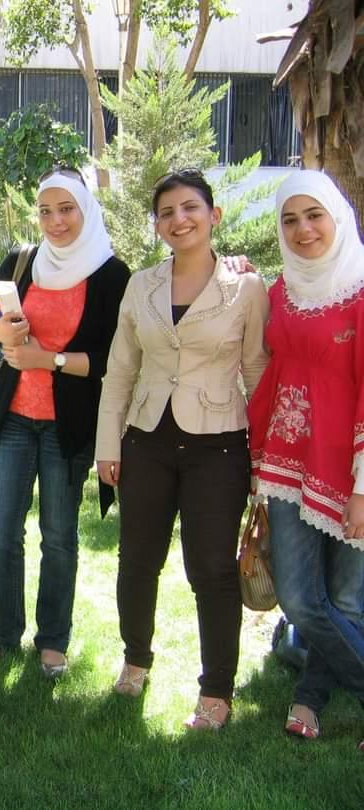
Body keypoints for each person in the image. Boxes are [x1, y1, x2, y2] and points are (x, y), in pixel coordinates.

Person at [95, 169, 269, 730]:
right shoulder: (140, 285)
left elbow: (256, 372)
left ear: (213, 216)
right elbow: (120, 371)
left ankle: (216, 691)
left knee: (212, 569)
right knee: (137, 560)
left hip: (218, 447)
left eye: (190, 207)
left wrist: (264, 462)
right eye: (166, 212)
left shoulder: (246, 287)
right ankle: (135, 661)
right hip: (146, 439)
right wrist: (108, 445)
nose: (179, 219)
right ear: (157, 225)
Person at [0, 168, 130, 678]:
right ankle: (2, 632)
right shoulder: (21, 263)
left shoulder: (111, 274)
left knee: (59, 536)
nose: (55, 221)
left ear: (86, 211)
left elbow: (111, 360)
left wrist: (49, 360)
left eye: (66, 209)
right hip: (13, 419)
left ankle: (53, 639)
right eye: (45, 211)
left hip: (67, 425)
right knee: (1, 535)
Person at [248, 170, 364, 750]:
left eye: (314, 215)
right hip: (288, 464)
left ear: (337, 216)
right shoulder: (280, 291)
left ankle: (309, 699)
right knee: (300, 599)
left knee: (345, 601)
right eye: (289, 220)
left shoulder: (361, 291)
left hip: (352, 470)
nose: (303, 230)